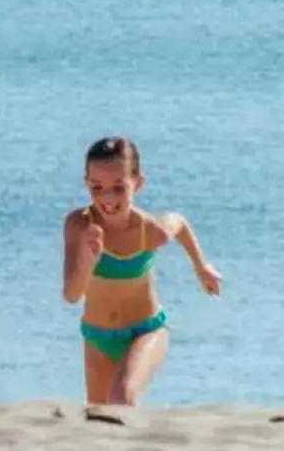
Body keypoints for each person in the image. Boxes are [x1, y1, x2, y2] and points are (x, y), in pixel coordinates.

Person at [60, 135, 221, 409]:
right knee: (100, 419)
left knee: (122, 397)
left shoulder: (150, 230)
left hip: (145, 331)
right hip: (97, 336)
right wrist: (88, 260)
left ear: (138, 183)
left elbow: (178, 223)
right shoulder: (79, 226)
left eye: (118, 187)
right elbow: (72, 295)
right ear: (86, 183)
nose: (107, 197)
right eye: (96, 187)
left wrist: (201, 267)